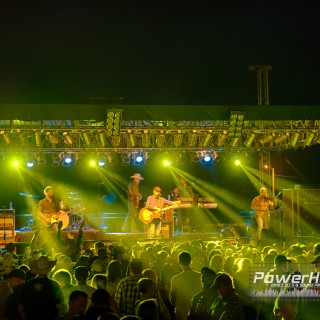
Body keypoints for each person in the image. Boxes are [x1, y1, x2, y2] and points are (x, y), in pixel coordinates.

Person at [170, 252, 202, 320]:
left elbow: (172, 299)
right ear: (190, 261)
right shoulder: (200, 276)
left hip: (181, 312)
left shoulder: (175, 279)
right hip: (197, 312)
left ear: (179, 262)